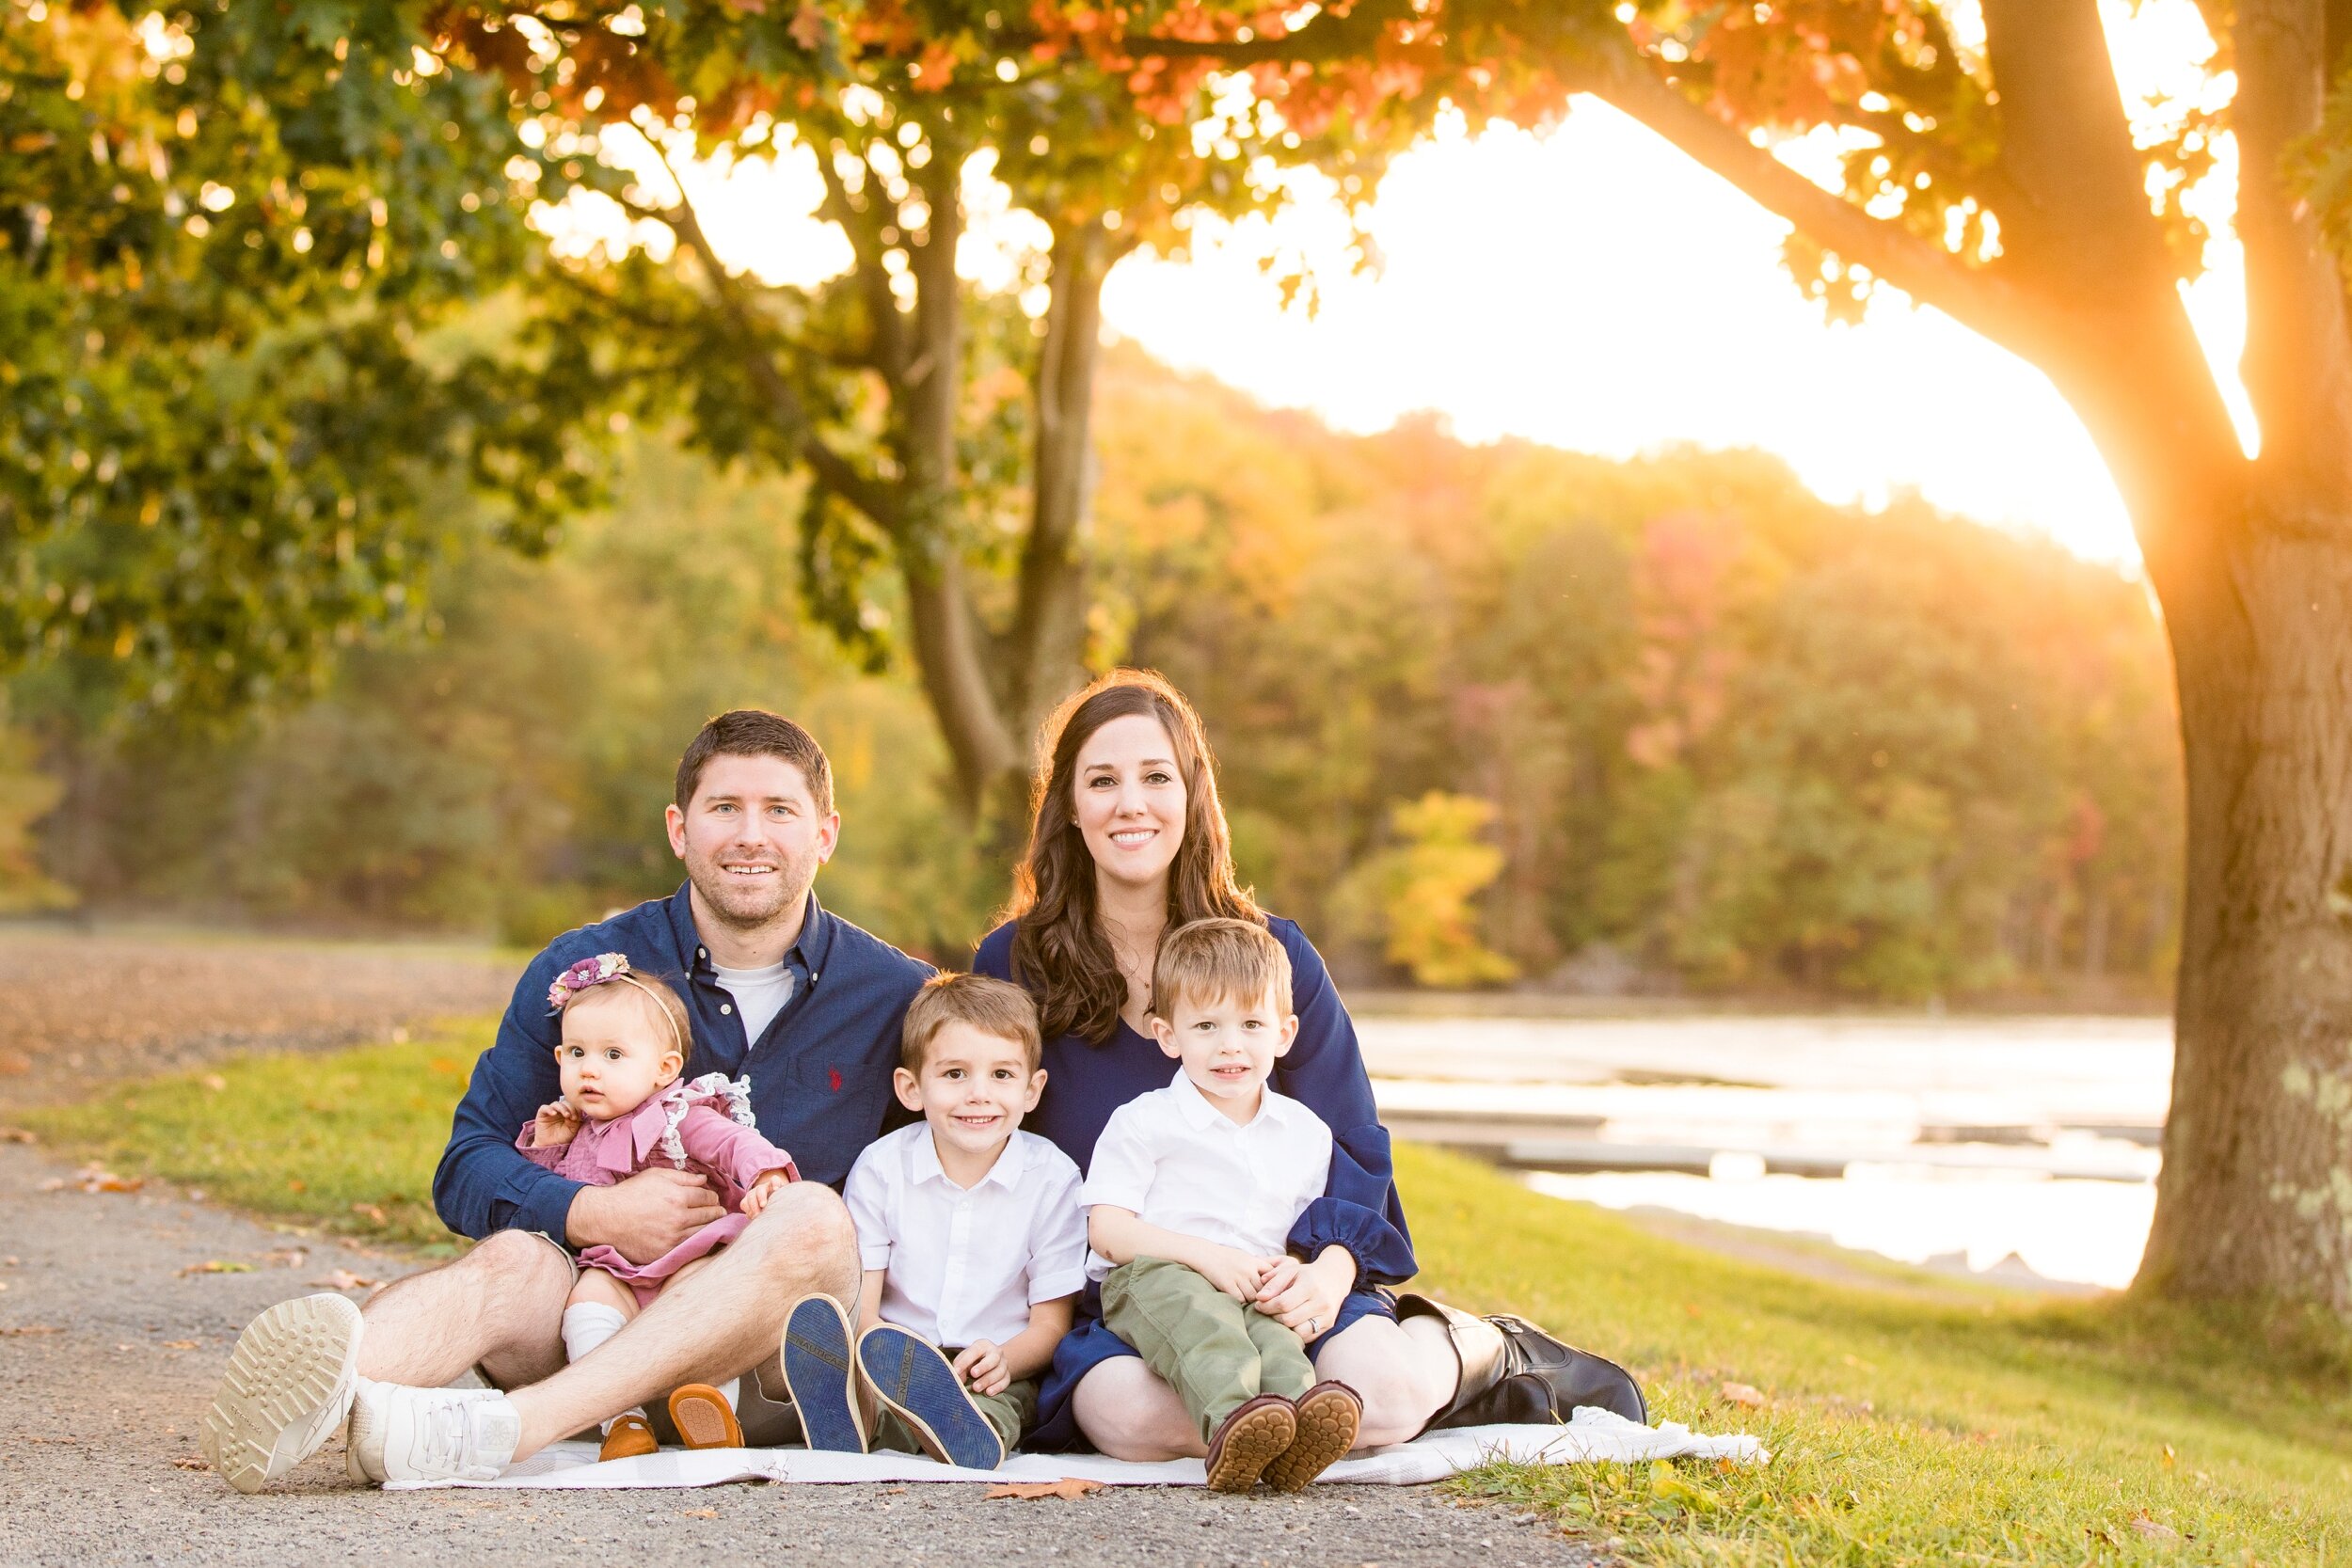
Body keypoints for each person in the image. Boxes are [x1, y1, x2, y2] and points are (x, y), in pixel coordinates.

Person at [199, 709, 932, 1492]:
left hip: (760, 1375)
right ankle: (314, 1396)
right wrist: (596, 1214)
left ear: (824, 833)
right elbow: (466, 1167)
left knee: (816, 1219)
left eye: (779, 810)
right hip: (584, 1323)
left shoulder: (895, 995)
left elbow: (954, 1172)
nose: (751, 834)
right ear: (679, 829)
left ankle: (514, 1428)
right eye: (725, 808)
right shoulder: (584, 967)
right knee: (514, 1258)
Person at [974, 669, 1646, 1460]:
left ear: (1192, 794)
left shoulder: (1274, 956)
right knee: (1133, 1420)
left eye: (1157, 776)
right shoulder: (1016, 963)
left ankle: (1486, 1350)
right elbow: (979, 1138)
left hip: (1286, 1280)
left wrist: (1327, 1272)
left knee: (1381, 1401)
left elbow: (1352, 1139)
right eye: (1102, 780)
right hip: (1129, 1300)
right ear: (1069, 806)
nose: (1131, 802)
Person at [1085, 917, 1362, 1492]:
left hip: (1253, 1281)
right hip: (1155, 1275)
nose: (1230, 1044)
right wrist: (1206, 1257)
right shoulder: (1144, 1122)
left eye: (1251, 1024)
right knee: (1207, 1326)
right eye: (1206, 1025)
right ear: (1168, 1035)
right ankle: (1234, 1424)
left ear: (1284, 1035)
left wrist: (1297, 1269)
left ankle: (1297, 1432)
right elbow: (1107, 1230)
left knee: (1278, 1341)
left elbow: (1298, 1232)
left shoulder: (1304, 1133)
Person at [781, 973, 1086, 1470]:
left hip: (993, 1365)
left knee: (996, 1407)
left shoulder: (1053, 1179)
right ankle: (855, 1414)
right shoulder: (883, 1167)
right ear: (911, 1088)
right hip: (894, 1357)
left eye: (1002, 1076)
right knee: (886, 1393)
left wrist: (1006, 1359)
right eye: (955, 1074)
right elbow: (865, 1302)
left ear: (1033, 1090)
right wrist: (888, 1354)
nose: (978, 1094)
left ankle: (951, 1432)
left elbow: (1051, 1324)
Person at [519, 952, 802, 1461]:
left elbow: (730, 1142)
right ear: (559, 1059)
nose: (590, 1070)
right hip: (618, 1270)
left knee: (705, 1302)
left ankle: (711, 1407)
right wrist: (547, 1145)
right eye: (577, 1052)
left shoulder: (677, 1114)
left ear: (663, 1070)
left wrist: (766, 1172)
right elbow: (559, 1198)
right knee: (587, 1303)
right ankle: (619, 1421)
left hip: (684, 1261)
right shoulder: (577, 1131)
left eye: (613, 1056)